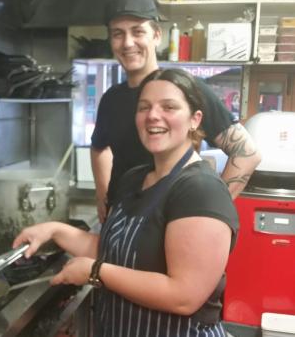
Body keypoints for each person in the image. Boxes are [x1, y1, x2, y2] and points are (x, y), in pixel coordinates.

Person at [13, 68, 239, 337]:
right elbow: (114, 250)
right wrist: (54, 230)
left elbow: (183, 296)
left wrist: (95, 272)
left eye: (169, 107)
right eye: (144, 107)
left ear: (195, 119)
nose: (153, 115)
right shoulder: (135, 178)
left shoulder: (201, 190)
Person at [91, 0, 261, 222]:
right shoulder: (111, 99)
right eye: (118, 34)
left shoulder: (183, 90)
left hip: (166, 228)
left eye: (138, 31)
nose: (128, 42)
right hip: (121, 224)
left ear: (157, 36)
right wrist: (104, 196)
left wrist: (210, 209)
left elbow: (247, 153)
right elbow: (99, 148)